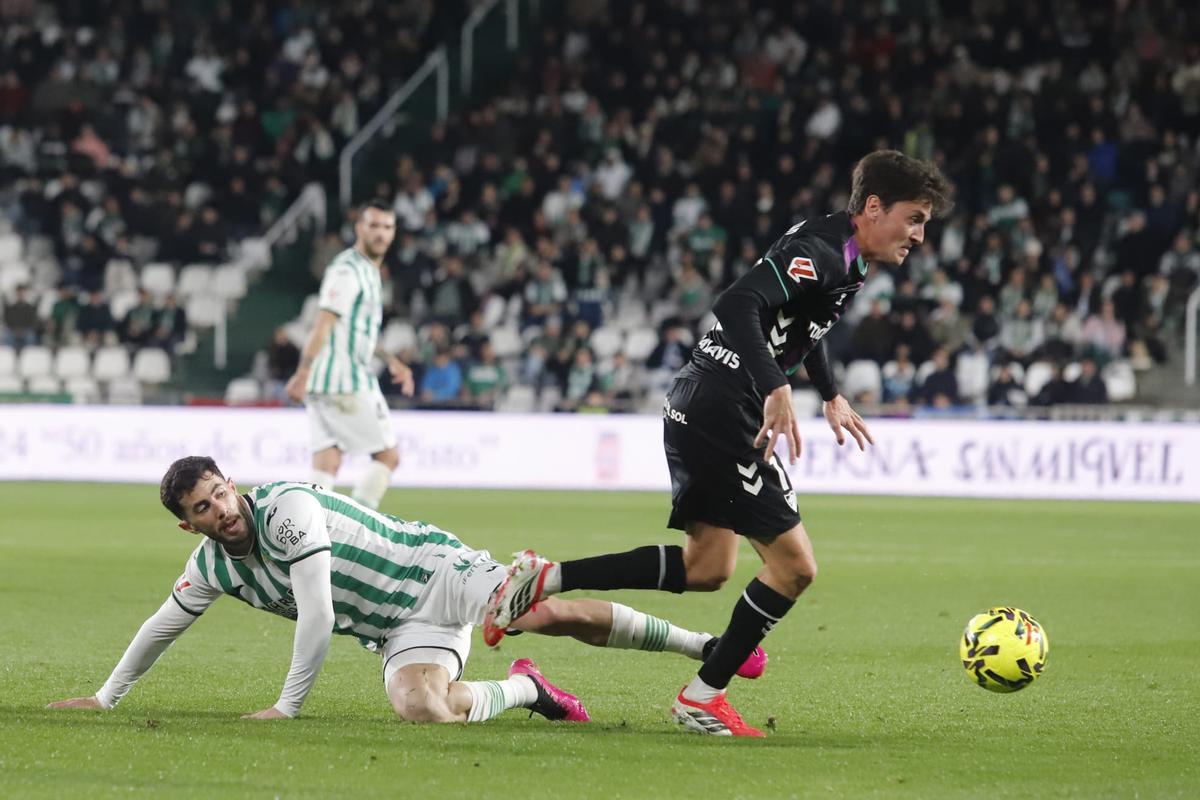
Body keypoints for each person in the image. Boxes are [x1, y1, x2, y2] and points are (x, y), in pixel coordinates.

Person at [484, 150, 952, 736]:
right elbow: (735, 303)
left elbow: (805, 324)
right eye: (914, 219)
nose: (919, 236)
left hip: (701, 397)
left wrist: (830, 392)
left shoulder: (845, 253)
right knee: (794, 567)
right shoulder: (824, 252)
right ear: (874, 207)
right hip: (726, 407)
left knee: (706, 567)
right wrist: (776, 385)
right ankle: (702, 696)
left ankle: (546, 578)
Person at [48, 457, 765, 724]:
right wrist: (107, 697)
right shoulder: (211, 566)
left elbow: (318, 612)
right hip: (396, 631)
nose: (221, 511)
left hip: (433, 571)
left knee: (545, 612)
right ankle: (529, 690)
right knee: (423, 709)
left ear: (232, 484)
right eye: (203, 509)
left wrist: (287, 707)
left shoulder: (286, 510)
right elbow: (161, 626)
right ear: (189, 525)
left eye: (220, 494)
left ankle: (707, 647)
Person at [285, 201, 415, 509]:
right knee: (388, 456)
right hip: (344, 381)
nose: (381, 233)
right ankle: (356, 527)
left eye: (387, 227)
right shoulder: (347, 270)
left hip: (325, 382)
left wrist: (392, 361)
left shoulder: (370, 271)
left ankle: (312, 526)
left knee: (327, 462)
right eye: (374, 226)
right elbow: (323, 322)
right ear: (359, 229)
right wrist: (302, 373)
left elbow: (357, 332)